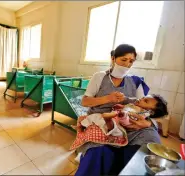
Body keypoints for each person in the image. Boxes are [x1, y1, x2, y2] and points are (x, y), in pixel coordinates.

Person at [74, 44, 162, 176]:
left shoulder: (135, 81)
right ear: (113, 58)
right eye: (123, 59)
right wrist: (107, 99)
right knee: (98, 151)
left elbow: (143, 107)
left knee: (150, 138)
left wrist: (149, 123)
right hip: (100, 120)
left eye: (131, 61)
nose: (127, 64)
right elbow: (85, 101)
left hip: (126, 121)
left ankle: (132, 169)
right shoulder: (99, 77)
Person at [70, 94, 168, 152]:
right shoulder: (133, 105)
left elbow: (128, 121)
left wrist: (123, 115)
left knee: (116, 130)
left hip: (120, 124)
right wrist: (120, 107)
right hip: (114, 115)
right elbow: (126, 106)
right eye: (143, 97)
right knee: (93, 117)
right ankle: (82, 125)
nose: (141, 99)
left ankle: (108, 121)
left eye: (145, 101)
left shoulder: (141, 114)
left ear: (150, 112)